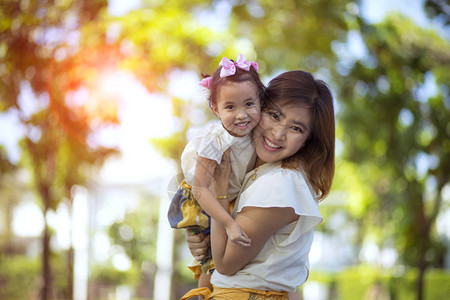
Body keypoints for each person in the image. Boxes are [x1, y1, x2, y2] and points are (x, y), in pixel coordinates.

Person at [182, 70, 335, 300]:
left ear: (307, 140)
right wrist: (200, 238)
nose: (278, 133)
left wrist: (220, 192)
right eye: (274, 115)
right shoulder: (251, 166)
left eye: (296, 128)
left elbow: (225, 263)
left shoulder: (282, 183)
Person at [168, 54, 266, 288]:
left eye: (249, 104)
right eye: (230, 107)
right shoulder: (214, 141)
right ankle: (202, 293)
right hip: (205, 202)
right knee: (210, 261)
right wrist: (229, 224)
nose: (242, 115)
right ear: (215, 108)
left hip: (229, 200)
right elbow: (200, 188)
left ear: (260, 101)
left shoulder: (257, 130)